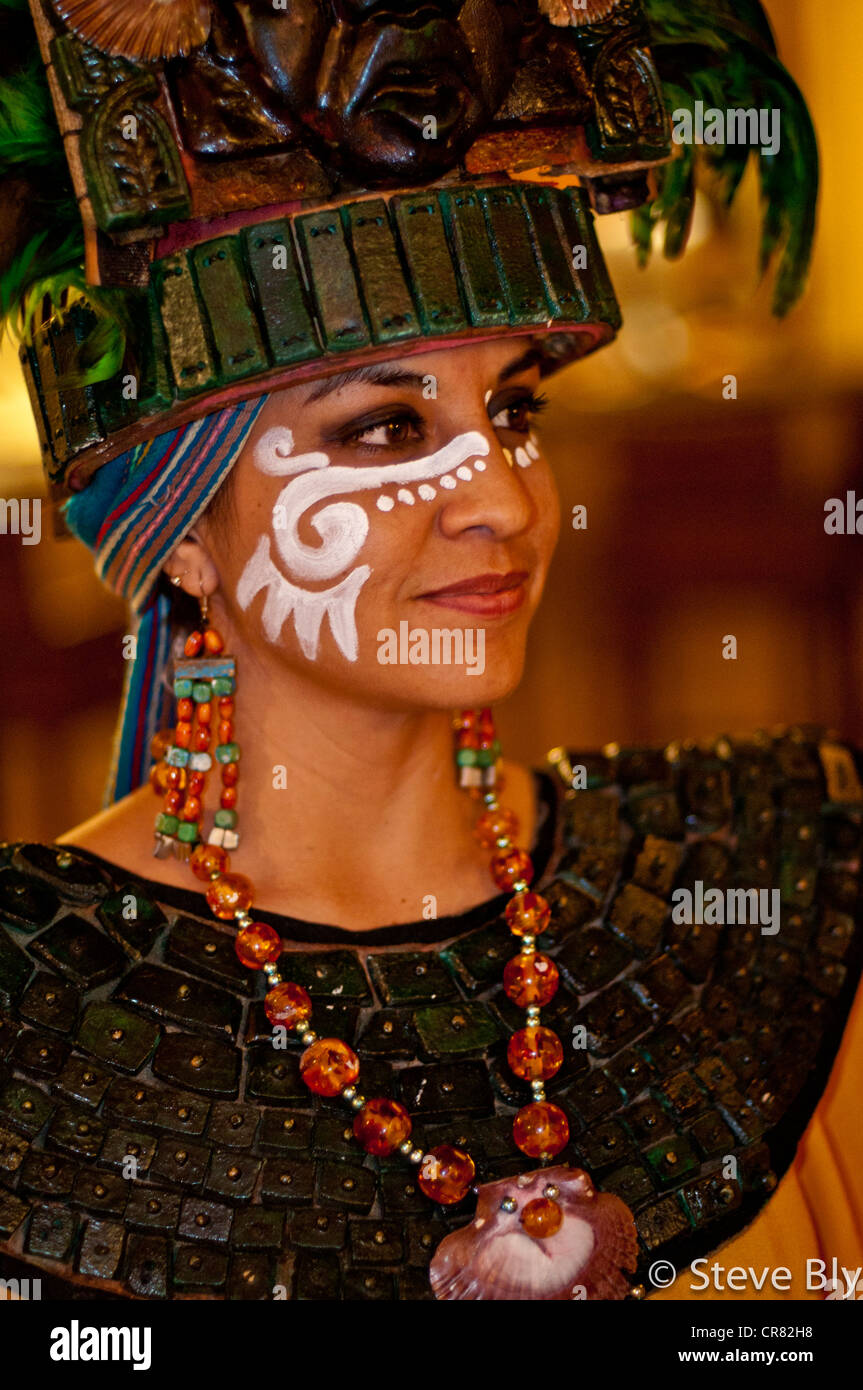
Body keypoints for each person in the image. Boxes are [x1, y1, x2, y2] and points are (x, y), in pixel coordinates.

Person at [0, 0, 858, 1302]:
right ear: (177, 529)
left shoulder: (783, 879)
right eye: (386, 430)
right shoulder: (30, 1005)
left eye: (513, 408)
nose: (509, 500)